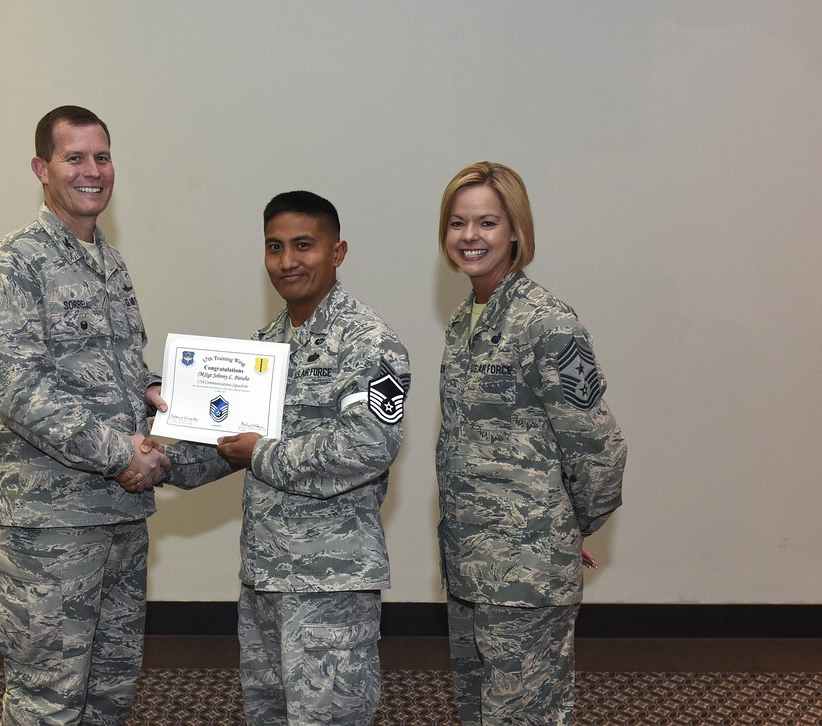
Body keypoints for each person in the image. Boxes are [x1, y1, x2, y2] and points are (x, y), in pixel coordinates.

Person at [163, 191, 410, 725]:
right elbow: (233, 442)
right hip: (265, 577)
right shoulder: (268, 344)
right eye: (274, 247)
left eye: (304, 245)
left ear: (338, 252)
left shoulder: (367, 343)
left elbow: (368, 446)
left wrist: (262, 454)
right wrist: (161, 459)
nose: (287, 261)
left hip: (329, 584)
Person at [0, 105, 169, 725]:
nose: (93, 171)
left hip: (120, 520)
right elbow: (16, 388)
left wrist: (167, 395)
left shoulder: (111, 266)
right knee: (47, 703)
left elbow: (120, 374)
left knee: (110, 694)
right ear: (42, 168)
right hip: (52, 530)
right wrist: (122, 454)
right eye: (75, 157)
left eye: (102, 157)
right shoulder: (15, 264)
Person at [435, 162, 626, 725]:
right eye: (457, 223)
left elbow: (599, 447)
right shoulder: (464, 320)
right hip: (471, 569)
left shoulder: (547, 323)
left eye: (487, 222)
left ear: (515, 230)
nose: (470, 237)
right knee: (479, 714)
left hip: (524, 577)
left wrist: (561, 527)